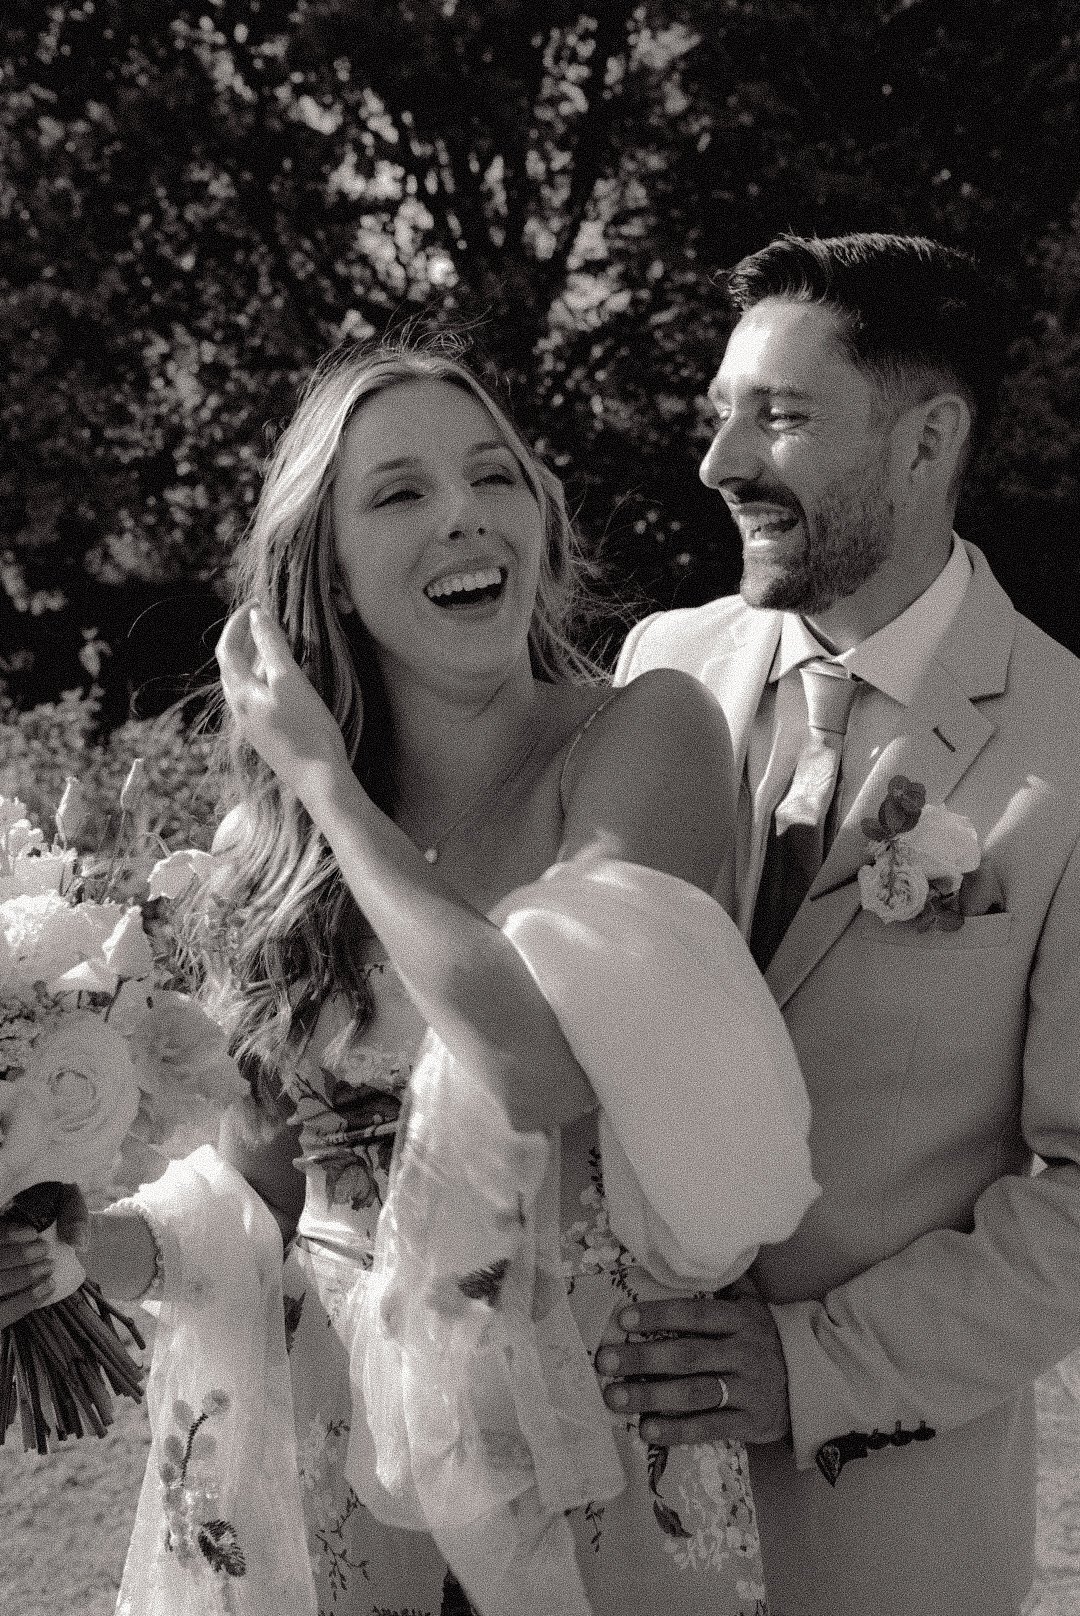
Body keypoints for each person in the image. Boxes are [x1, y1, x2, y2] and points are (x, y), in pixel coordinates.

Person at [0, 343, 818, 1615]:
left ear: (540, 516)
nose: (463, 513)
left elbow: (537, 1064)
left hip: (590, 1454)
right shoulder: (261, 861)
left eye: (494, 474)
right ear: (323, 567)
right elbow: (255, 1199)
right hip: (341, 1475)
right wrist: (68, 1251)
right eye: (398, 493)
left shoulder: (643, 736)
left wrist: (325, 780)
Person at [601, 230, 1080, 1616]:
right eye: (720, 414)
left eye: (783, 417)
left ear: (930, 440)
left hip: (890, 1526)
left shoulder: (1072, 750)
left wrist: (811, 1366)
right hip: (612, 1501)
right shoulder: (660, 665)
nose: (720, 463)